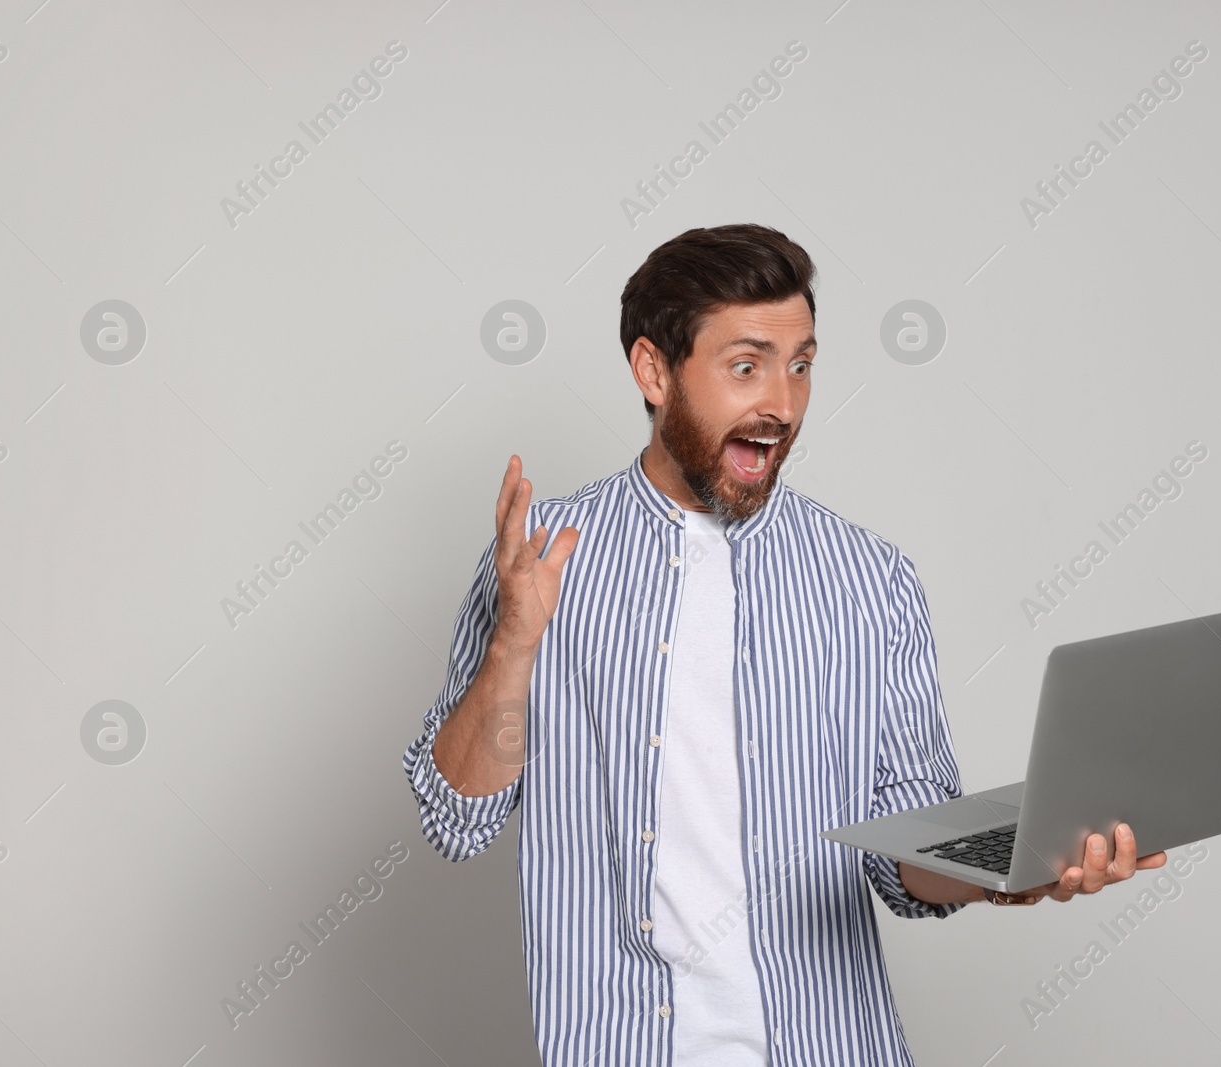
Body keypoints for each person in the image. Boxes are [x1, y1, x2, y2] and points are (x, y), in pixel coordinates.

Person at [402, 223, 1165, 1065]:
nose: (783, 404)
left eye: (801, 364)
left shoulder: (869, 577)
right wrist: (514, 642)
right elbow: (455, 816)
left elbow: (903, 857)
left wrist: (1013, 864)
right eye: (747, 365)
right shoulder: (539, 557)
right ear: (654, 371)